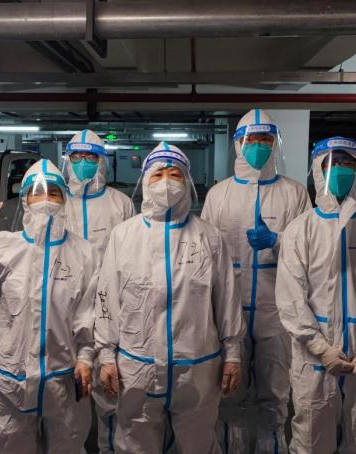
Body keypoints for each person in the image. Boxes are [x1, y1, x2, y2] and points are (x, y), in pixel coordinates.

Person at [95, 142, 245, 453]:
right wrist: (106, 355)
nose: (166, 182)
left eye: (175, 174)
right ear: (145, 182)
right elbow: (107, 299)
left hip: (197, 367)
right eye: (158, 174)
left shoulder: (209, 237)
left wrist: (233, 354)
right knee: (136, 444)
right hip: (137, 366)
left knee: (198, 443)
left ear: (187, 181)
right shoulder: (123, 236)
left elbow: (227, 300)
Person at [0, 159, 96, 453]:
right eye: (37, 193)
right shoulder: (1, 247)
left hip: (63, 377)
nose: (46, 199)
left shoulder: (84, 253)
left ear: (64, 200)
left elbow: (88, 313)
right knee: (11, 445)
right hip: (10, 377)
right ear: (25, 200)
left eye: (54, 192)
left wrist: (86, 358)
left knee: (68, 444)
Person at [276, 137, 356, 454]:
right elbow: (291, 299)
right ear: (318, 171)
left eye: (348, 163)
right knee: (311, 435)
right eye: (332, 164)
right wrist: (320, 348)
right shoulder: (300, 229)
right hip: (315, 355)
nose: (340, 170)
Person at [201, 109, 310, 453]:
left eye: (266, 139)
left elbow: (310, 249)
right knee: (228, 379)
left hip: (276, 307)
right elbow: (203, 252)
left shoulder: (294, 194)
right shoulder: (219, 195)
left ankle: (271, 439)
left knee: (275, 382)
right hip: (228, 307)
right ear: (238, 144)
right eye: (252, 139)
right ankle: (230, 436)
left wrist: (276, 241)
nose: (259, 146)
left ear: (275, 144)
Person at [62, 129, 135, 453]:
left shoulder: (121, 204)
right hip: (66, 309)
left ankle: (109, 448)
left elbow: (133, 257)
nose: (83, 163)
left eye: (90, 157)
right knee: (67, 389)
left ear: (102, 161)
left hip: (111, 308)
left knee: (110, 389)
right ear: (67, 160)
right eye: (76, 157)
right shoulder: (57, 202)